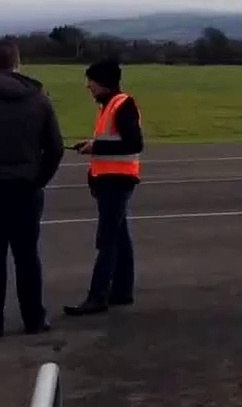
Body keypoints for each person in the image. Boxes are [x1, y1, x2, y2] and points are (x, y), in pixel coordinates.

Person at [64, 59, 143, 317]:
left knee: (107, 239)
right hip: (109, 179)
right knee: (119, 235)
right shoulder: (109, 105)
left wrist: (96, 147)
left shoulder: (122, 105)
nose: (88, 86)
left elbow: (134, 144)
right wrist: (93, 145)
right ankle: (122, 291)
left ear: (104, 82)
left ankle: (97, 296)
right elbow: (116, 141)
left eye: (92, 81)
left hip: (117, 180)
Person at [0, 40, 63, 337]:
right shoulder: (38, 99)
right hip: (25, 186)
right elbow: (54, 148)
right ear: (17, 62)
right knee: (27, 256)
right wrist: (38, 179)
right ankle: (34, 318)